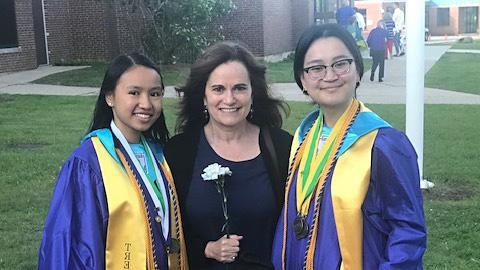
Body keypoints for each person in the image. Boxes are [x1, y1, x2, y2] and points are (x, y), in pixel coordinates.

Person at [272, 24, 427, 269]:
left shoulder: (384, 144)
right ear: (302, 80)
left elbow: (407, 231)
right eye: (316, 68)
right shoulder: (304, 137)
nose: (330, 76)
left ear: (357, 71)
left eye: (340, 63)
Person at [38, 53, 188, 269]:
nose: (146, 104)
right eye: (134, 93)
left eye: (155, 94)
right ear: (110, 97)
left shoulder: (159, 156)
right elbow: (76, 246)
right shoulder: (89, 162)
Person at [164, 41, 293, 269]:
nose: (230, 99)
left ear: (253, 92)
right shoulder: (179, 152)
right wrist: (205, 249)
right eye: (218, 89)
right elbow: (165, 231)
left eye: (240, 88)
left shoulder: (282, 147)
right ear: (203, 96)